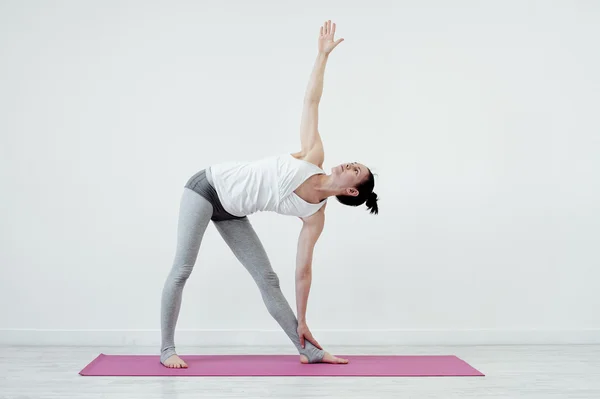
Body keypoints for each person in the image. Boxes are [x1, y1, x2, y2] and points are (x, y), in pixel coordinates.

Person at [160, 20, 379, 368]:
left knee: (268, 279)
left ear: (351, 189)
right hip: (206, 187)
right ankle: (167, 350)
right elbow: (311, 100)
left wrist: (303, 319)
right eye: (351, 162)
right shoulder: (313, 155)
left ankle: (307, 348)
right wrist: (321, 56)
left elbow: (303, 272)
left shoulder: (314, 217)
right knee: (182, 269)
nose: (345, 165)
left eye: (353, 170)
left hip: (232, 211)